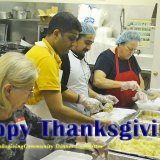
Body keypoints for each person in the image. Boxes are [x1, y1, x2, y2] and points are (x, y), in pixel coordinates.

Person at [25, 12, 110, 160]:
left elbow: (58, 88)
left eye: (76, 39)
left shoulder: (48, 54)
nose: (73, 44)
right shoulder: (45, 58)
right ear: (56, 33)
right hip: (35, 133)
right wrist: (95, 123)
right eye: (71, 38)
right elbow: (57, 110)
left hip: (42, 126)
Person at [0, 52, 107, 160]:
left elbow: (46, 129)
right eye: (29, 90)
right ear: (8, 90)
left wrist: (86, 138)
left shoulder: (19, 112)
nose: (31, 96)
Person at [61, 22, 118, 116]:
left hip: (82, 115)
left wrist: (99, 97)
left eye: (91, 44)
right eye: (87, 43)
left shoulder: (82, 60)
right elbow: (58, 89)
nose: (89, 48)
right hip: (66, 117)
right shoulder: (64, 58)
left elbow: (81, 86)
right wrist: (83, 100)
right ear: (75, 39)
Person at [90, 30, 147, 108]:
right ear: (120, 44)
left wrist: (140, 91)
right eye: (130, 49)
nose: (132, 52)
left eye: (135, 50)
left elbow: (140, 80)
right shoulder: (106, 57)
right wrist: (124, 84)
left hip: (128, 109)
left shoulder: (131, 58)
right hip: (108, 109)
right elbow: (98, 81)